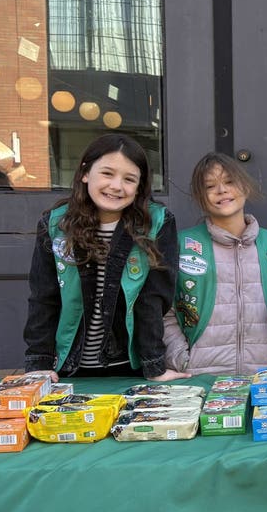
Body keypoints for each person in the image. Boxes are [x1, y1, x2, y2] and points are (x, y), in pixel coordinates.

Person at [23, 134, 179, 380]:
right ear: (86, 173)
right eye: (107, 173)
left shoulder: (157, 223)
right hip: (68, 369)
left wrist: (154, 365)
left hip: (130, 367)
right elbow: (44, 298)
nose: (117, 186)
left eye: (129, 179)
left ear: (139, 187)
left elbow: (153, 299)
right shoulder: (55, 224)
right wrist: (39, 363)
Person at [162, 152, 267, 376]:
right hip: (199, 375)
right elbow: (165, 309)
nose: (222, 190)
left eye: (230, 181)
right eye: (210, 186)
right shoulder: (183, 244)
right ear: (199, 197)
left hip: (264, 375)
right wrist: (181, 358)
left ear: (246, 187)